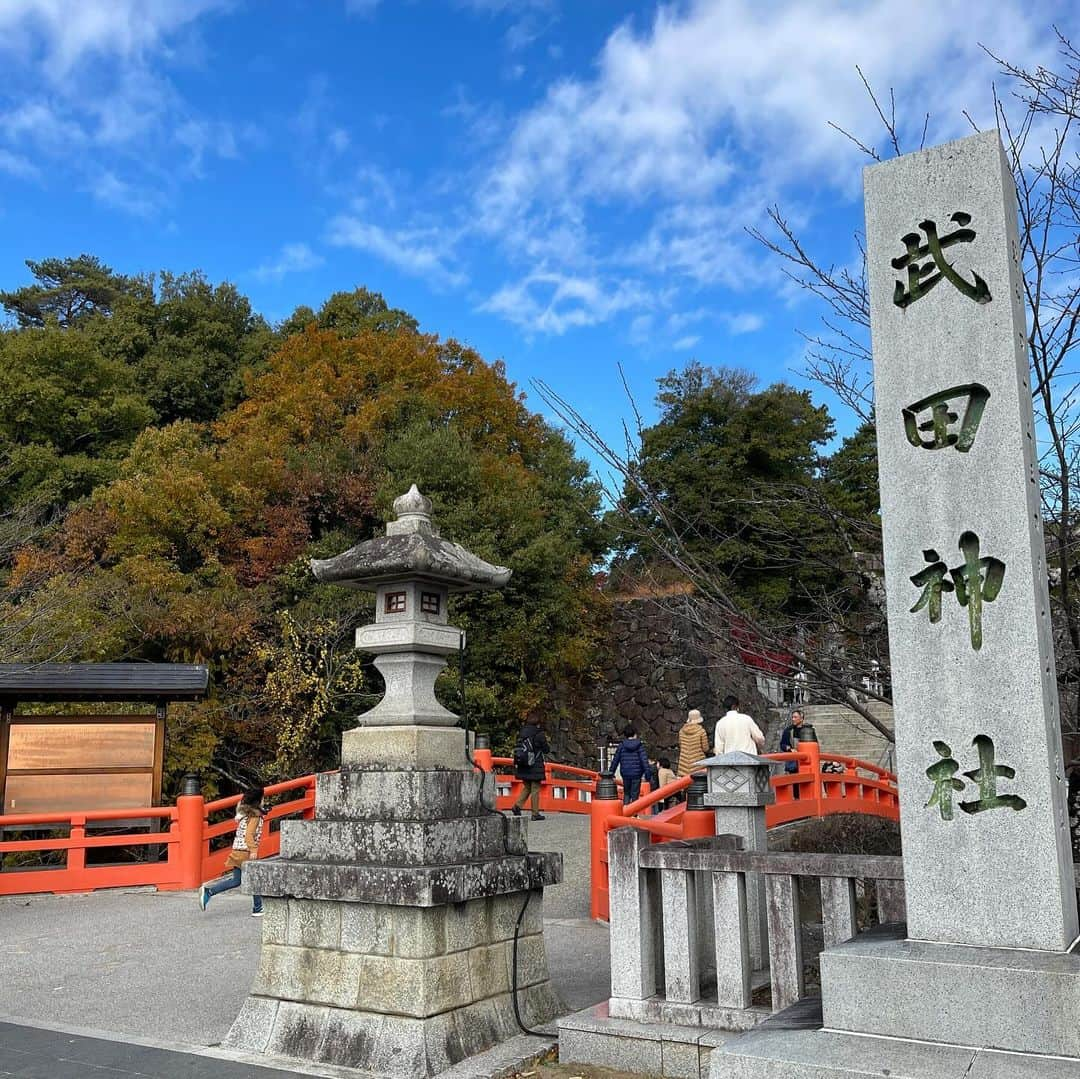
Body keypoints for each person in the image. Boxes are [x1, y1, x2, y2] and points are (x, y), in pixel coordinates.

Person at [198, 785, 266, 916]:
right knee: (255, 878)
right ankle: (257, 908)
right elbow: (249, 834)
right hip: (246, 851)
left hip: (237, 849)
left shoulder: (244, 815)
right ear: (258, 801)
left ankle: (209, 892)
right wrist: (253, 850)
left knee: (236, 881)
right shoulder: (255, 817)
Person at [511, 718, 549, 820]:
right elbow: (546, 750)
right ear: (537, 724)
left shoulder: (521, 733)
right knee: (535, 789)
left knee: (527, 786)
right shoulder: (539, 734)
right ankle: (535, 813)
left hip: (523, 764)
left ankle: (517, 806)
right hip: (534, 764)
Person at [611, 725, 650, 804]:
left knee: (627, 793)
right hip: (637, 774)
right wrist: (647, 775)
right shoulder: (639, 746)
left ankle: (626, 811)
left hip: (625, 773)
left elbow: (615, 760)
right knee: (635, 794)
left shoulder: (621, 745)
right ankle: (634, 814)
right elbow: (644, 761)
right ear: (635, 734)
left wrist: (611, 773)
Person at [676, 708, 710, 776]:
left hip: (684, 765)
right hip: (698, 764)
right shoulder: (701, 731)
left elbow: (681, 746)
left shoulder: (681, 731)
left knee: (685, 785)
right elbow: (705, 749)